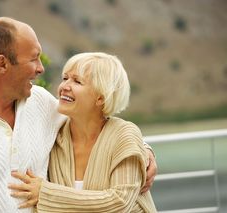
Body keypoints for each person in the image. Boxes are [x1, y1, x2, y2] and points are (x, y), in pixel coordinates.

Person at [0, 17, 156, 213]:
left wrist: (143, 151)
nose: (41, 68)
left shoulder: (40, 103)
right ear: (2, 64)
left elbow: (93, 123)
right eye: (34, 59)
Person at [9, 52, 157, 212]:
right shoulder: (53, 134)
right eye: (65, 78)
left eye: (77, 81)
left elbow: (120, 203)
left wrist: (46, 194)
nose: (64, 87)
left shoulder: (123, 134)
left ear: (100, 97)